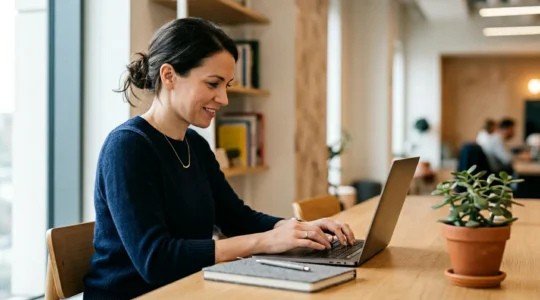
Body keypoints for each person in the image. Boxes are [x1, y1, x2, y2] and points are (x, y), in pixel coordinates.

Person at [83, 17, 355, 299]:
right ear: (169, 76)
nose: (223, 99)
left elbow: (236, 218)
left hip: (187, 290)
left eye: (226, 85)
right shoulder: (127, 147)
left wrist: (295, 229)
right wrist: (264, 241)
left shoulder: (195, 146)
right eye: (213, 84)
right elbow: (156, 261)